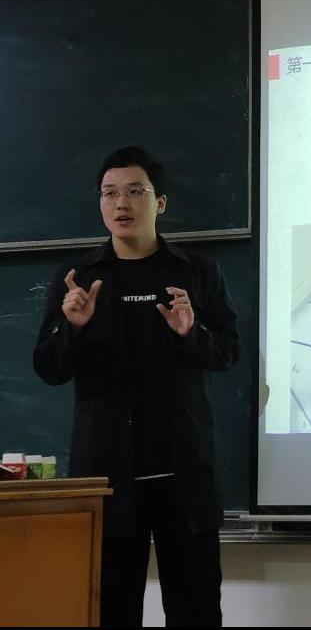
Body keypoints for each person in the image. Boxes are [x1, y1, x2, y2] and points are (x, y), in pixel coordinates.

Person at [33, 146, 239, 627]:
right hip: (106, 480)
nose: (120, 203)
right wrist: (73, 328)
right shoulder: (78, 279)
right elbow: (49, 368)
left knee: (195, 612)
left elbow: (227, 353)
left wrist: (191, 332)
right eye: (109, 194)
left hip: (184, 479)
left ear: (159, 202)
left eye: (134, 191)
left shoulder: (195, 272)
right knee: (110, 612)